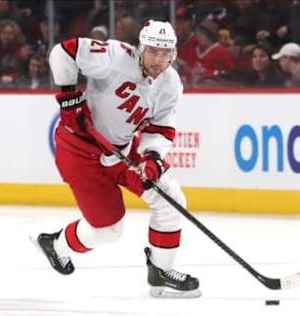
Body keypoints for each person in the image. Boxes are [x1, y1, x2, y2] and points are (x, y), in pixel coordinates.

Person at [32, 20, 201, 298]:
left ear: (174, 54)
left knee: (171, 201)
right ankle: (56, 245)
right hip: (79, 150)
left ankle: (160, 272)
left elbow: (160, 127)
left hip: (120, 148)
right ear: (140, 48)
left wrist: (152, 157)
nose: (158, 60)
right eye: (152, 51)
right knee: (109, 230)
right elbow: (63, 52)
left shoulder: (171, 83)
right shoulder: (114, 56)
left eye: (165, 53)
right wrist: (68, 96)